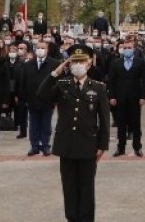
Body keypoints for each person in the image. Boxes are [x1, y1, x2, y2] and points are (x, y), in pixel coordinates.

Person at [36, 45, 111, 222]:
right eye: (74, 62)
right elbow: (40, 95)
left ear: (89, 64)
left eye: (81, 61)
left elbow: (104, 119)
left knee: (86, 186)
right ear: (69, 64)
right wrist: (55, 73)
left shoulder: (98, 87)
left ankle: (86, 219)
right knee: (69, 186)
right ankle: (72, 218)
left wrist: (103, 145)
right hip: (66, 144)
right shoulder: (62, 85)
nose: (78, 65)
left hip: (88, 144)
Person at [107, 40, 145, 156]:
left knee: (136, 124)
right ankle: (121, 147)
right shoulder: (116, 62)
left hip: (135, 98)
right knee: (121, 124)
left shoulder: (140, 62)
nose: (127, 50)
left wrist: (143, 96)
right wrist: (112, 96)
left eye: (129, 47)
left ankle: (137, 147)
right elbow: (111, 81)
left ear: (134, 49)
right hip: (120, 98)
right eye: (124, 48)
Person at [23, 40, 61, 156]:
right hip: (32, 100)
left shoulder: (54, 64)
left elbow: (58, 82)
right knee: (33, 125)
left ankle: (45, 146)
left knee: (46, 125)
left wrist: (55, 99)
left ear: (47, 50)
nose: (40, 50)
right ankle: (34, 146)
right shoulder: (28, 64)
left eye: (43, 48)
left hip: (48, 100)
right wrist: (25, 98)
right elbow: (23, 82)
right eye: (38, 48)